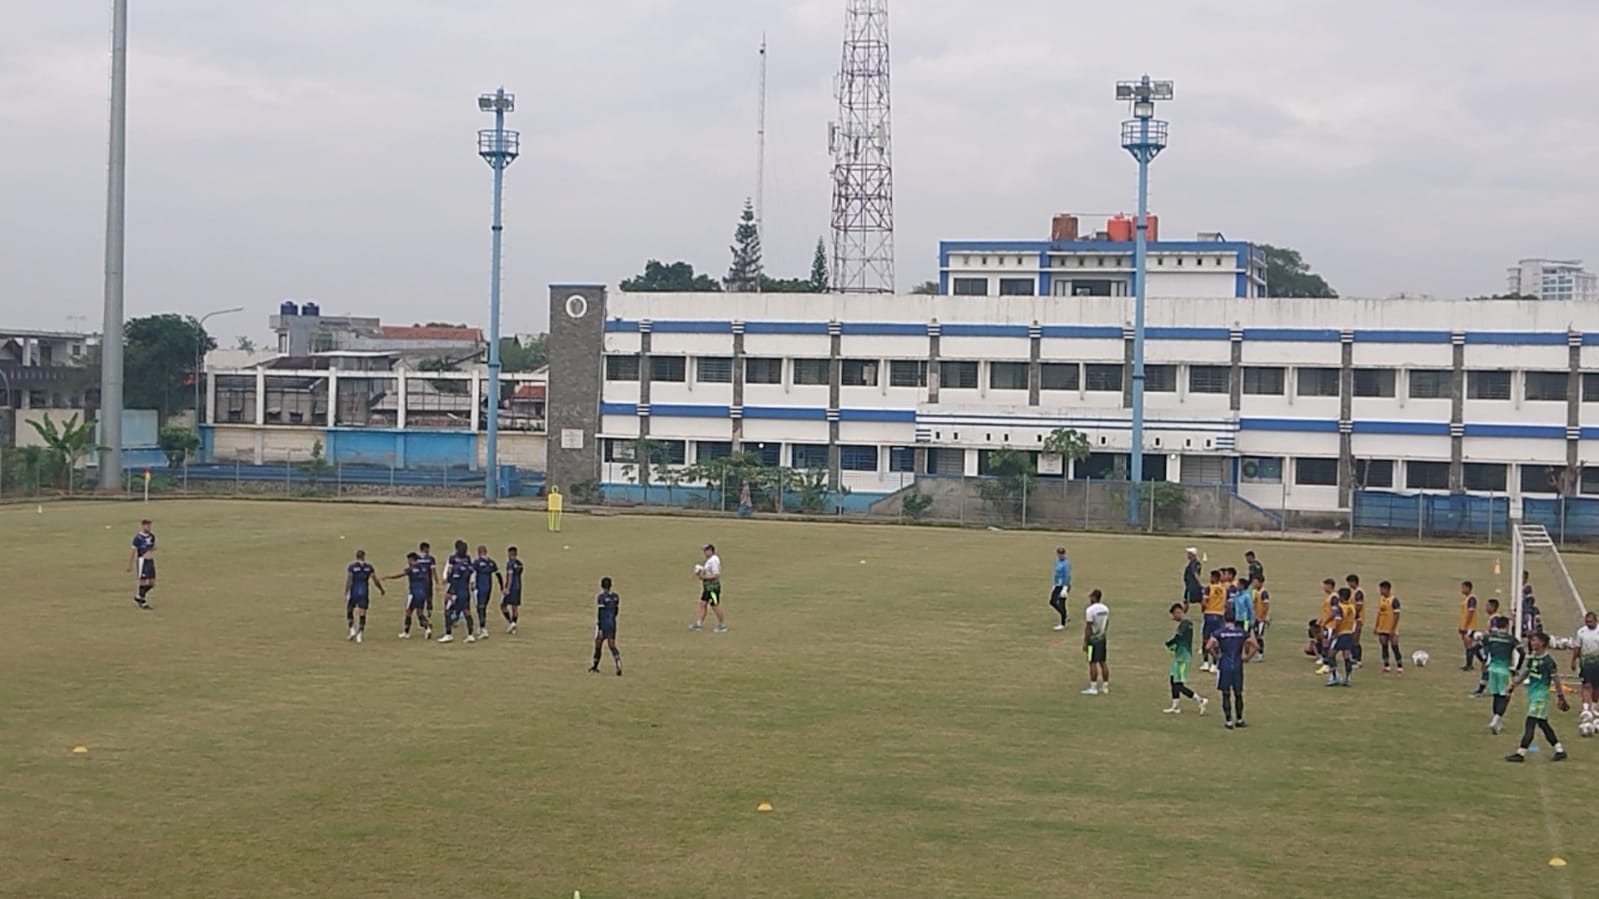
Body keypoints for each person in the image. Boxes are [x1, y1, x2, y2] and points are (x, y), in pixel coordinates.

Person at [1505, 631, 1568, 763]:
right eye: (1532, 640)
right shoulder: (1532, 657)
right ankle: (1559, 750)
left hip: (1540, 696)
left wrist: (1560, 696)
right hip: (1533, 695)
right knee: (1543, 724)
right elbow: (1525, 673)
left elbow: (1555, 679)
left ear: (1543, 643)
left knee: (1530, 723)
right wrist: (1513, 684)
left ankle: (1520, 753)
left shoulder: (1548, 661)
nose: (1532, 643)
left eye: (1535, 640)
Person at [1205, 608, 1259, 729]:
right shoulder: (1241, 632)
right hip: (1237, 664)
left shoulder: (1219, 632)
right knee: (1238, 693)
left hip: (1224, 664)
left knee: (1226, 693)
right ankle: (1239, 719)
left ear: (1224, 619)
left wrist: (1216, 656)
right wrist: (1247, 657)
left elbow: (1208, 646)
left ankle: (1228, 720)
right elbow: (1255, 645)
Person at [1163, 602, 1208, 715]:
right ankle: (1175, 706)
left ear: (1179, 612)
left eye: (1174, 615)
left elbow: (1177, 638)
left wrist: (1168, 644)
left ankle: (1200, 700)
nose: (1173, 618)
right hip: (1179, 656)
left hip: (1183, 657)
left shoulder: (1184, 624)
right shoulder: (1187, 623)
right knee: (1173, 680)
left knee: (1178, 684)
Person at [1483, 616, 1519, 734]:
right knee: (1505, 696)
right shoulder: (1511, 639)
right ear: (1507, 625)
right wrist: (1516, 667)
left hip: (1492, 669)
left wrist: (1484, 660)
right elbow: (1522, 653)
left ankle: (1497, 722)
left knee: (1496, 695)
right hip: (1504, 670)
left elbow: (1480, 646)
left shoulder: (1490, 637)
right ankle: (1496, 719)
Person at [385, 552, 432, 640]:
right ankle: (427, 628)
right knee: (420, 612)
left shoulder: (410, 569)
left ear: (411, 559)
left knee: (408, 612)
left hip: (413, 593)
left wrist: (388, 577)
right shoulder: (423, 568)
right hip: (423, 593)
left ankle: (406, 632)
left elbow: (399, 575)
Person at [439, 540, 477, 644]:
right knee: (466, 611)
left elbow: (452, 579)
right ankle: (470, 635)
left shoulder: (455, 566)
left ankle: (448, 634)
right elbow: (471, 573)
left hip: (455, 591)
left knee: (447, 611)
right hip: (465, 591)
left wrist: (449, 592)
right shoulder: (468, 562)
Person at [344, 549, 383, 643]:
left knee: (350, 609)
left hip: (354, 591)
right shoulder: (369, 567)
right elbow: (375, 580)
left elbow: (349, 579)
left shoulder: (352, 567)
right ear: (364, 557)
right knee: (362, 612)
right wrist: (381, 589)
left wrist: (346, 592)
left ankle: (352, 630)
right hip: (364, 591)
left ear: (356, 556)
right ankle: (360, 634)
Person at [1470, 598, 1503, 698]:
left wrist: (1483, 635)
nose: (1486, 608)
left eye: (1488, 606)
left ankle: (1481, 690)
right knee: (1475, 651)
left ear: (1493, 607)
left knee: (1487, 668)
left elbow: (1494, 632)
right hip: (1488, 644)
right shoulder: (1493, 618)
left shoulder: (1494, 619)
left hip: (1492, 646)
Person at [589, 576, 622, 675]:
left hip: (604, 624)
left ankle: (595, 666)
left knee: (598, 643)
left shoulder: (601, 597)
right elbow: (616, 610)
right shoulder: (615, 596)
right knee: (612, 645)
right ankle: (618, 663)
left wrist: (600, 627)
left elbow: (600, 613)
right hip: (612, 623)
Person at [690, 543, 726, 632]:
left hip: (713, 588)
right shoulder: (710, 560)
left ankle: (722, 625)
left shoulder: (713, 560)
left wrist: (703, 577)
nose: (704, 553)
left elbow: (716, 574)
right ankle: (699, 624)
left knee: (715, 605)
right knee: (702, 604)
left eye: (706, 551)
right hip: (707, 588)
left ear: (710, 551)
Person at [1081, 589, 1111, 695]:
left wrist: (1085, 641)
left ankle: (1093, 687)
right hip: (1102, 638)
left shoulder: (1090, 610)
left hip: (1093, 640)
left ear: (1094, 597)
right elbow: (1107, 622)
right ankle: (1105, 686)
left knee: (1092, 662)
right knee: (1103, 662)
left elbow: (1088, 627)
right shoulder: (1105, 609)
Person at [1326, 587, 1357, 686]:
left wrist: (1335, 633)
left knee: (1331, 654)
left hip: (1341, 634)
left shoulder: (1340, 607)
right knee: (1346, 656)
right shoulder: (1352, 607)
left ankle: (1335, 676)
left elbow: (1338, 621)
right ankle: (1347, 678)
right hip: (1349, 633)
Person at [1572, 611, 1599, 719]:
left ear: (1595, 621)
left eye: (1590, 622)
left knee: (1597, 686)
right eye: (1587, 622)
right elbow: (1577, 648)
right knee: (1586, 685)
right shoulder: (1581, 632)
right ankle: (1585, 707)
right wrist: (1573, 660)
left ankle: (1594, 706)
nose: (1588, 623)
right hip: (1586, 663)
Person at [125, 518, 157, 609]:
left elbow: (153, 545)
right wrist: (129, 564)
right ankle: (142, 601)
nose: (149, 527)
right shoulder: (137, 538)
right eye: (147, 525)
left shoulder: (151, 536)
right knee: (142, 581)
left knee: (152, 583)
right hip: (142, 561)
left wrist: (151, 549)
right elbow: (133, 551)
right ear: (142, 526)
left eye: (149, 525)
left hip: (150, 561)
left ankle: (139, 596)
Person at [1374, 580, 1403, 674]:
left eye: (1382, 589)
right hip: (1382, 627)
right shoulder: (1381, 599)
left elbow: (1397, 615)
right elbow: (1379, 613)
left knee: (1395, 646)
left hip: (1391, 628)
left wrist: (1393, 629)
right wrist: (1376, 626)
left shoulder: (1394, 600)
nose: (1381, 591)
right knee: (1384, 646)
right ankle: (1386, 665)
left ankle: (1399, 666)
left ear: (1387, 589)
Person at [1200, 569, 1226, 673]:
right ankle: (1215, 664)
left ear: (1214, 578)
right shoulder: (1223, 588)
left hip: (1209, 614)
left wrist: (1203, 609)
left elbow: (1204, 601)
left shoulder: (1209, 588)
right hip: (1220, 615)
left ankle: (1206, 662)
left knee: (1205, 639)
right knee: (1216, 641)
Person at [471, 545, 499, 641]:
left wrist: (472, 584)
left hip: (480, 588)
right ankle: (481, 626)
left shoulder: (477, 562)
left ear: (478, 552)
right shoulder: (491, 562)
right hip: (489, 588)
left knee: (480, 607)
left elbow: (472, 573)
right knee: (483, 607)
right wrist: (502, 586)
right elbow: (498, 574)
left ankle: (483, 629)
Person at [1315, 578, 1338, 673]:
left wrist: (1326, 621)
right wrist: (1321, 619)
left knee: (1328, 642)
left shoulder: (1334, 597)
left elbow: (1334, 612)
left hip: (1331, 625)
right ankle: (1325, 660)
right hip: (1327, 623)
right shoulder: (1329, 597)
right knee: (1324, 641)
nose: (1324, 588)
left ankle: (1327, 663)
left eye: (1325, 586)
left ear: (1330, 586)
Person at [500, 546, 524, 634]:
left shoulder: (509, 563)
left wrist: (507, 588)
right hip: (518, 586)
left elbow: (510, 576)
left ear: (510, 554)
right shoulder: (520, 563)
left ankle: (511, 623)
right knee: (515, 607)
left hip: (512, 587)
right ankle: (513, 624)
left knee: (503, 606)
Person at [1048, 546, 1072, 631]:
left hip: (1063, 585)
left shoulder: (1066, 563)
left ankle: (1062, 623)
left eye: (1061, 553)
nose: (1060, 555)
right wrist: (1054, 584)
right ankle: (1064, 615)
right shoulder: (1057, 562)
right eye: (1059, 553)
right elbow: (1055, 574)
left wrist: (1065, 588)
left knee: (1062, 603)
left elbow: (1067, 575)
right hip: (1057, 585)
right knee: (1052, 601)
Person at [1458, 580, 1480, 671]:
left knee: (1469, 646)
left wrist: (1465, 626)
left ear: (1468, 588)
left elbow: (1471, 612)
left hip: (1469, 626)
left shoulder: (1471, 599)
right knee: (1468, 646)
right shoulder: (1466, 599)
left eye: (1463, 587)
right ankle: (1469, 664)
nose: (1461, 589)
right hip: (1465, 625)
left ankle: (1470, 664)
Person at [1346, 574, 1366, 666]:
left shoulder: (1358, 592)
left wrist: (1354, 615)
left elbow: (1359, 605)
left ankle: (1358, 660)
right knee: (1351, 639)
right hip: (1353, 619)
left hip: (1357, 619)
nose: (1349, 584)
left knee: (1355, 639)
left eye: (1350, 582)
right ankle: (1353, 657)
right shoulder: (1353, 592)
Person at [416, 542, 440, 617]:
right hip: (428, 582)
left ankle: (421, 615)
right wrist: (437, 582)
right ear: (425, 548)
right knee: (429, 599)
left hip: (418, 583)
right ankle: (428, 615)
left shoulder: (416, 558)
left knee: (420, 599)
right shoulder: (430, 558)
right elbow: (433, 571)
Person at [1250, 574, 1271, 661]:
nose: (1254, 584)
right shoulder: (1255, 592)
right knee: (1255, 635)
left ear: (1260, 583)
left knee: (1259, 636)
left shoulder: (1264, 593)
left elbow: (1266, 605)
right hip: (1256, 617)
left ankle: (1260, 654)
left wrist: (1263, 617)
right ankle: (1256, 652)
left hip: (1260, 619)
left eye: (1255, 582)